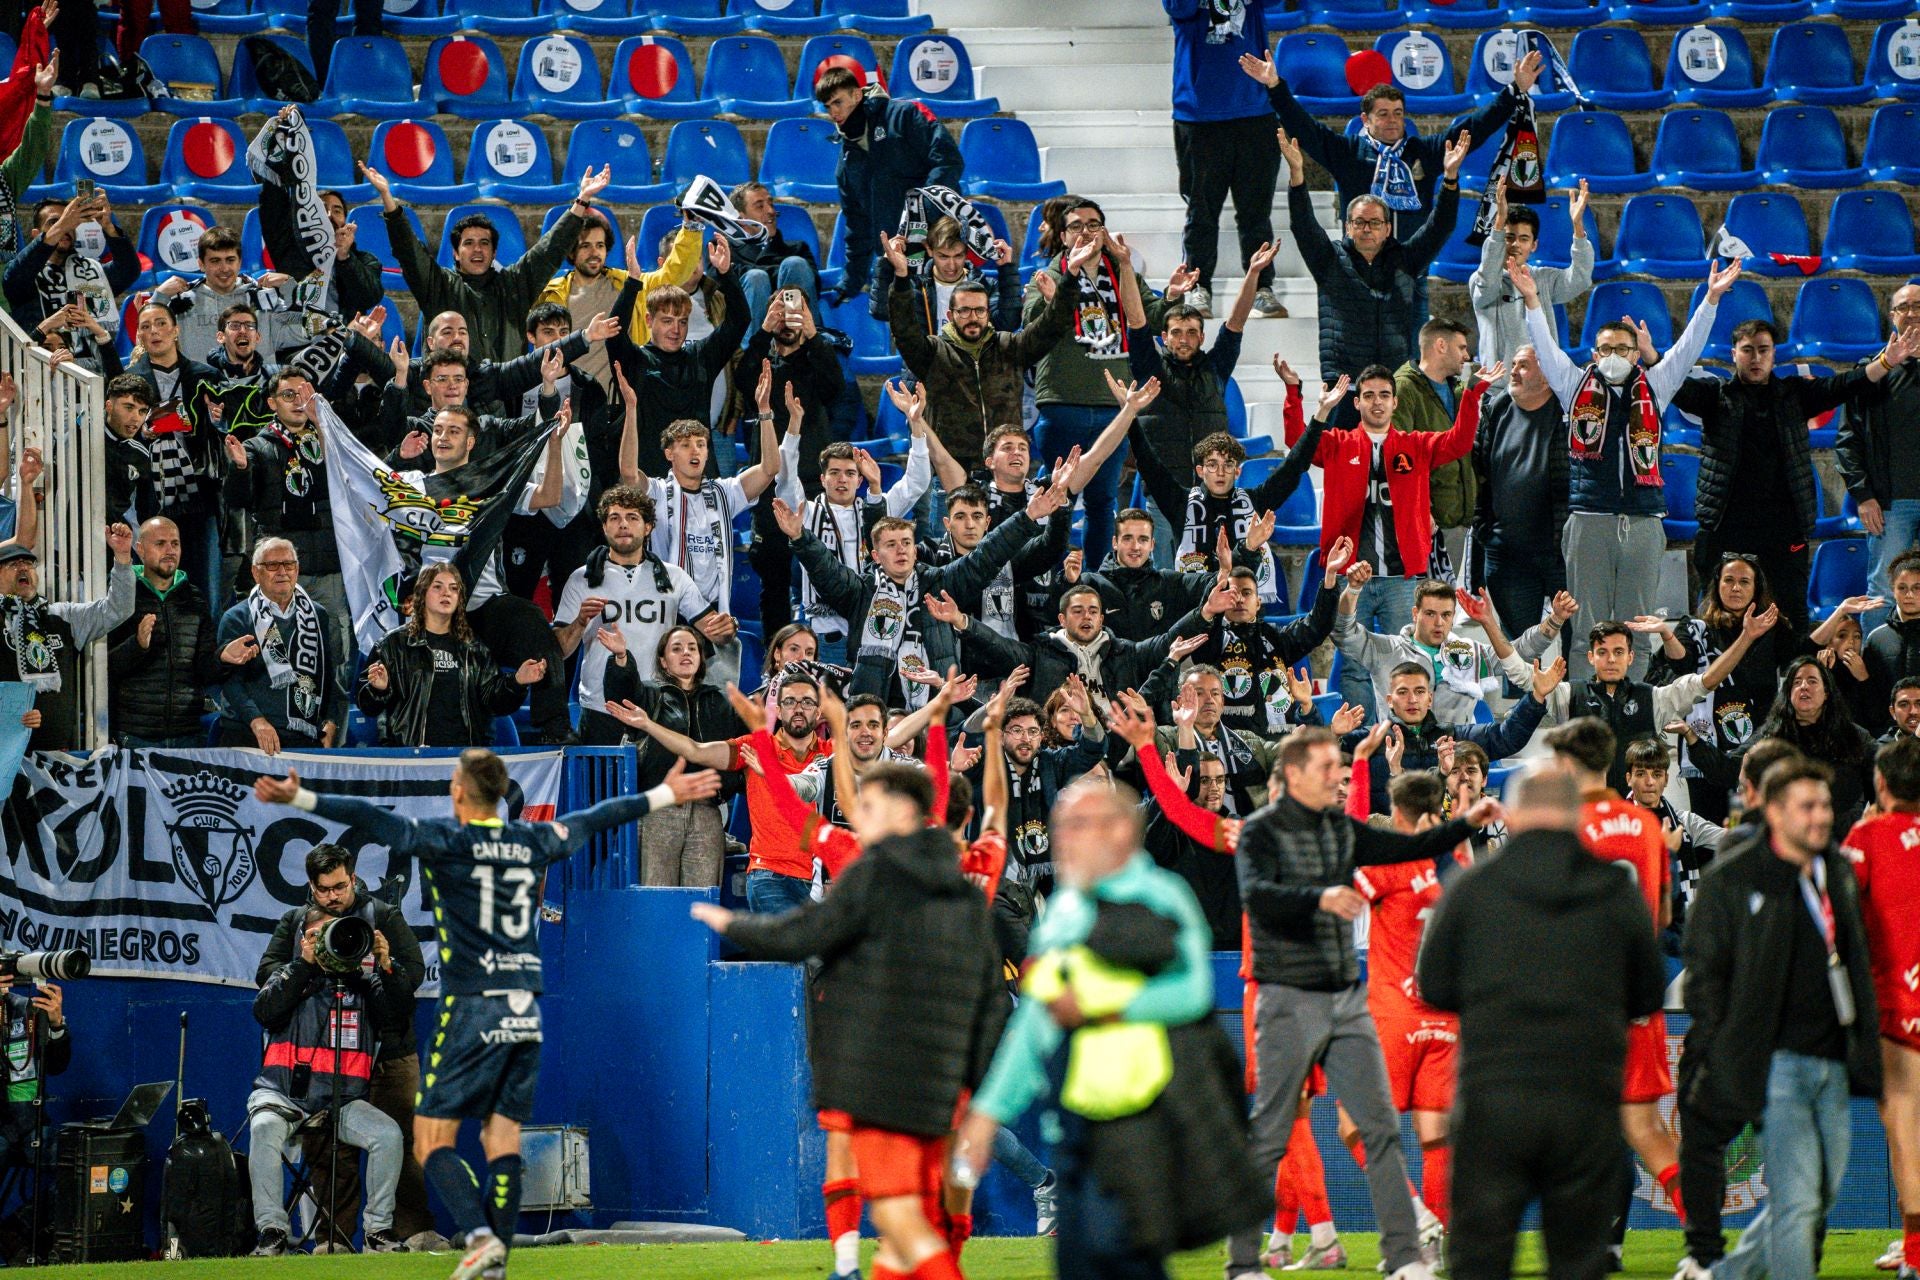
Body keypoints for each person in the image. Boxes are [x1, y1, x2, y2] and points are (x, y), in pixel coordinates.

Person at [253, 748, 721, 1280]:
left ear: (459, 792)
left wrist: (301, 796)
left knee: (430, 1140)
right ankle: (495, 1257)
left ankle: (480, 1237)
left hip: (473, 1005)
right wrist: (662, 794)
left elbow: (372, 817)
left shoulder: (447, 842)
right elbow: (594, 819)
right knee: (501, 1137)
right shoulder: (532, 840)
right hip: (526, 1008)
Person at [692, 761, 1002, 1280]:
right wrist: (976, 1089)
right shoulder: (968, 889)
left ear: (905, 812)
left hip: (880, 1078)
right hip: (944, 1084)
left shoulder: (873, 871)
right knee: (897, 1252)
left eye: (870, 805)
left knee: (898, 1218)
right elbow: (992, 1001)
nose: (859, 815)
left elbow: (801, 935)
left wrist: (732, 922)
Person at [956, 776, 1268, 1280]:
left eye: (1080, 824)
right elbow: (1037, 1019)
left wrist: (1103, 1007)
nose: (1063, 839)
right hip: (1076, 1119)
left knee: (1121, 1253)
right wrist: (988, 1113)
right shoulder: (1062, 910)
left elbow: (1190, 993)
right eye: (1061, 826)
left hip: (1143, 1118)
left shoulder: (1162, 896)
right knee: (1085, 1263)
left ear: (1123, 831)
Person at [1227, 726, 1502, 1280]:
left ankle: (1405, 1257)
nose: (1336, 776)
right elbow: (1258, 895)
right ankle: (1243, 1264)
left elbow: (1402, 847)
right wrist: (1320, 896)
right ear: (1296, 773)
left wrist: (1464, 826)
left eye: (1339, 767)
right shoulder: (1260, 831)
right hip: (1287, 996)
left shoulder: (1337, 827)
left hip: (1346, 1000)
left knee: (1377, 1129)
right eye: (1328, 766)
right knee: (1272, 1131)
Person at [1417, 766, 1667, 1280]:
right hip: (1586, 1102)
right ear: (1577, 816)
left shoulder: (1473, 887)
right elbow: (1647, 992)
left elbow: (1434, 988)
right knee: (1578, 1261)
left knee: (1480, 1261)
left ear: (1510, 814)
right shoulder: (1614, 891)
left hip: (1493, 1100)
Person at [1673, 757, 1882, 1280]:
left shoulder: (1834, 868)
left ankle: (1722, 1277)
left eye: (1826, 805)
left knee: (1820, 1194)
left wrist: (1868, 1056)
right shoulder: (1734, 878)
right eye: (1807, 807)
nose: (1821, 817)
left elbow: (1855, 961)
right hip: (1773, 1064)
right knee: (1795, 1205)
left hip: (1831, 1060)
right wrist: (1730, 1050)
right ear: (1773, 811)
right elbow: (1704, 978)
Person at [1511, 256, 1739, 680]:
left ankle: (1633, 714)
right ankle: (1584, 716)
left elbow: (1688, 349)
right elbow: (1544, 346)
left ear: (1638, 355)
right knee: (1584, 628)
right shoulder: (1571, 384)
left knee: (1637, 627)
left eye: (1624, 349)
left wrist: (1710, 299)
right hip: (1588, 520)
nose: (1614, 356)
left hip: (1642, 521)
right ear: (1594, 353)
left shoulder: (1655, 386)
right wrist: (1531, 301)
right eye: (1607, 349)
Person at [1240, 44, 1539, 331]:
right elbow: (1305, 127)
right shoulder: (1349, 154)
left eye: (1397, 113)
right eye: (1382, 114)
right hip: (1358, 271)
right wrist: (1275, 86)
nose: (1392, 120)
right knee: (1356, 357)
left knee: (1410, 360)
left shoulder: (1424, 151)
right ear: (1365, 120)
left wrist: (1513, 91)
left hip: (1410, 270)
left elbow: (1475, 127)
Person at [1546, 718, 1686, 1261]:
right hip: (1637, 997)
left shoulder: (1565, 824)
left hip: (1581, 1000)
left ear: (1566, 764)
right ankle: (1701, 1242)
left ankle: (1592, 1242)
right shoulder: (1647, 826)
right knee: (1645, 1130)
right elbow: (1667, 911)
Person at [1679, 320, 1918, 635]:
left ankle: (1795, 678)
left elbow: (1848, 383)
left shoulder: (1794, 394)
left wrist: (1887, 361)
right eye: (1747, 350)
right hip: (1725, 527)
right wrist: (1652, 356)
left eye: (1763, 350)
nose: (1755, 358)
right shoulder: (1714, 396)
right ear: (1733, 353)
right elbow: (1671, 383)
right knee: (1717, 619)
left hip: (1784, 526)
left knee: (1791, 617)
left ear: (1773, 355)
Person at [1284, 363, 1495, 719]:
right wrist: (1294, 392)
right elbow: (1295, 443)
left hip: (1403, 580)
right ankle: (1359, 741)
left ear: (1395, 402)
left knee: (1413, 662)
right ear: (1357, 403)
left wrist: (1472, 394)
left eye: (1384, 395)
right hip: (1354, 581)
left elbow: (1459, 441)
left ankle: (1414, 737)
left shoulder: (1417, 445)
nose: (1377, 403)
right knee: (1352, 665)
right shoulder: (1337, 443)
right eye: (1369, 396)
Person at [253, 843, 433, 1250]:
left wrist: (379, 968)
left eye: (339, 887)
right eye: (323, 890)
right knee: (329, 1154)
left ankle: (404, 1233)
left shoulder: (382, 916)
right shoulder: (298, 922)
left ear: (352, 878)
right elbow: (266, 978)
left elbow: (412, 976)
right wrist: (308, 965)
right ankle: (331, 1241)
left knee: (400, 1140)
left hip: (387, 1051)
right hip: (319, 1055)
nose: (333, 896)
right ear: (311, 888)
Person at [777, 476, 1072, 708]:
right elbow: (827, 571)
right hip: (877, 708)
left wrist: (1028, 515)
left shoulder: (939, 583)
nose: (900, 550)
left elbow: (985, 557)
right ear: (876, 555)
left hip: (938, 707)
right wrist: (800, 537)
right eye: (890, 545)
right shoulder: (860, 592)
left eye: (906, 542)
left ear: (915, 550)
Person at [612, 666, 831, 912]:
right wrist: (649, 725)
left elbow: (875, 745)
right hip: (771, 875)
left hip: (821, 880)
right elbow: (696, 750)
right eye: (790, 701)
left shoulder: (833, 754)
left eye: (807, 702)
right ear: (778, 710)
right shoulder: (755, 747)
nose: (798, 708)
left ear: (819, 712)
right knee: (789, 949)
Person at [1023, 213, 1171, 566]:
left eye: (1094, 225)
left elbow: (1150, 315)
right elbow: (1030, 321)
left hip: (1113, 406)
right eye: (1076, 226)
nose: (1086, 231)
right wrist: (1055, 297)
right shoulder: (1050, 275)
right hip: (1062, 403)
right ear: (1062, 236)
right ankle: (1050, 580)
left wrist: (1174, 297)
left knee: (1104, 502)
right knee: (1056, 498)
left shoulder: (1123, 274)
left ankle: (1097, 582)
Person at [1121, 243, 1286, 553]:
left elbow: (1236, 322)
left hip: (1212, 498)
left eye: (1191, 332)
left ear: (1202, 337)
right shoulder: (1150, 368)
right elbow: (1136, 321)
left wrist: (1252, 273)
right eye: (1176, 332)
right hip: (1164, 497)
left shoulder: (1216, 368)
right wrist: (1126, 267)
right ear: (1165, 337)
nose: (1184, 339)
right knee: (1166, 585)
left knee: (1214, 583)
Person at [362, 165, 608, 365]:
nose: (477, 249)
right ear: (456, 254)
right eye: (468, 243)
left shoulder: (514, 284)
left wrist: (582, 200)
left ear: (494, 253)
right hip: (450, 401)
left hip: (507, 404)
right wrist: (389, 203)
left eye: (484, 243)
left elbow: (548, 251)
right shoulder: (438, 285)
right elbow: (410, 253)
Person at [1281, 127, 1468, 388]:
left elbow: (1441, 227)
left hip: (1394, 382)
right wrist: (1298, 177)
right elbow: (1303, 225)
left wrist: (1450, 179)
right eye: (1359, 222)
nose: (1366, 228)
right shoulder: (1328, 259)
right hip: (1343, 384)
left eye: (1374, 222)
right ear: (1347, 227)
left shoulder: (1406, 259)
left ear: (1388, 228)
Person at [888, 228, 1081, 479]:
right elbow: (903, 330)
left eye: (980, 311)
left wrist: (1072, 274)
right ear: (950, 315)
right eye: (964, 311)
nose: (973, 318)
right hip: (949, 471)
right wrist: (901, 276)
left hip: (1003, 472)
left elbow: (1052, 326)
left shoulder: (1010, 347)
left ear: (988, 313)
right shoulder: (933, 352)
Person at [777, 380, 931, 667]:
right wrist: (794, 425)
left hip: (873, 624)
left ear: (859, 480)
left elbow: (918, 482)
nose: (841, 479)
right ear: (822, 479)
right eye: (834, 472)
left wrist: (915, 423)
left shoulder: (877, 509)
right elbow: (785, 478)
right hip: (826, 631)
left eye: (849, 473)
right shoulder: (807, 512)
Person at [1840, 735, 1920, 1280]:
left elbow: (1834, 911)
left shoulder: (1866, 835)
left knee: (1905, 1124)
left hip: (1896, 1006)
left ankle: (1916, 1253)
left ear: (1881, 783)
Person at [553, 485, 718, 744]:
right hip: (601, 706)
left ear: (648, 526)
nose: (623, 524)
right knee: (603, 785)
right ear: (605, 527)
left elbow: (714, 629)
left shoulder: (674, 576)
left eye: (632, 517)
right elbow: (559, 651)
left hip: (659, 703)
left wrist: (728, 625)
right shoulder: (581, 579)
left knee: (659, 785)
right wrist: (580, 622)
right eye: (614, 518)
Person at [1542, 615, 1775, 793]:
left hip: (1640, 817)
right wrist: (1553, 621)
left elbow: (1708, 681)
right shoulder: (1569, 694)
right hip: (1582, 816)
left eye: (1619, 651)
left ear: (1630, 657)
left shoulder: (1653, 698)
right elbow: (1524, 676)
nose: (1611, 659)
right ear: (1591, 657)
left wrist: (1747, 637)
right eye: (1602, 652)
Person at [1163, 0, 1285, 321]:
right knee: (1202, 210)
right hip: (1199, 114)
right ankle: (1197, 285)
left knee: (1255, 211)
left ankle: (1261, 286)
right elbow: (1179, 8)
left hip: (1255, 110)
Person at [815, 66, 964, 320]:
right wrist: (850, 283)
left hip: (940, 247)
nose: (834, 112)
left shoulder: (905, 114)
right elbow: (857, 227)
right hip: (898, 259)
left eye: (838, 102)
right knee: (909, 336)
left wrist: (919, 218)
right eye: (828, 107)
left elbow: (947, 161)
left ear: (856, 95)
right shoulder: (846, 165)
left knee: (949, 326)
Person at [1337, 570, 1566, 726]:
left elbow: (1519, 651)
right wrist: (1354, 590)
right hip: (1403, 755)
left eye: (1446, 615)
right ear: (1415, 614)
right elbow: (1344, 633)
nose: (1439, 623)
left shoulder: (1466, 651)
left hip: (1459, 758)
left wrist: (1554, 620)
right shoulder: (1386, 650)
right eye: (1430, 614)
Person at [108, 516, 260, 747]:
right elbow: (105, 667)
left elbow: (204, 671)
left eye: (175, 543)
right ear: (140, 549)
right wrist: (137, 645)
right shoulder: (121, 596)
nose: (169, 550)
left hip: (188, 736)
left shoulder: (195, 597)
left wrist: (223, 658)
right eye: (160, 544)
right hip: (135, 737)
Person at [607, 238, 750, 481]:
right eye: (667, 321)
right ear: (649, 320)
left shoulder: (701, 357)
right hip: (650, 484)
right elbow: (614, 333)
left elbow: (739, 321)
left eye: (682, 321)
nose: (676, 329)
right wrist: (633, 283)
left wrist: (727, 274)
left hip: (700, 481)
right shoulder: (635, 360)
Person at [224, 370, 348, 646]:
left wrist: (321, 424)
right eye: (288, 395)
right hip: (281, 571)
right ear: (272, 403)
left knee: (334, 648)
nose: (297, 402)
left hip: (328, 566)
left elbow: (345, 481)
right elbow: (238, 499)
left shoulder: (331, 438)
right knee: (284, 649)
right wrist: (241, 468)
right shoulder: (256, 446)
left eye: (303, 395)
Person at [1345, 656, 1558, 815]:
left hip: (1443, 839)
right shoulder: (1370, 741)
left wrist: (1536, 697)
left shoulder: (1453, 736)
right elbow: (1318, 757)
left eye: (1419, 692)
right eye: (1403, 692)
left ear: (1430, 698)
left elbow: (1505, 738)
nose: (1412, 699)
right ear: (1389, 700)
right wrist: (1327, 726)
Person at [357, 565, 541, 749]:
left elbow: (494, 702)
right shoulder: (392, 645)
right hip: (410, 761)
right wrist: (378, 689)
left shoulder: (475, 649)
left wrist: (517, 682)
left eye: (454, 588)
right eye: (437, 587)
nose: (447, 593)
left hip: (463, 762)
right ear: (422, 594)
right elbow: (368, 706)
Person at [0, 526, 134, 751]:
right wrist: (8, 713)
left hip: (58, 752)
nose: (23, 568)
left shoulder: (63, 616)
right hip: (5, 752)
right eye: (13, 564)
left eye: (29, 563)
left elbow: (118, 609)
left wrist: (122, 559)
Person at [534, 210, 703, 385]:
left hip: (623, 399)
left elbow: (673, 274)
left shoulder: (629, 283)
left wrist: (692, 226)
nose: (594, 252)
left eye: (600, 245)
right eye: (586, 246)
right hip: (569, 399)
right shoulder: (552, 294)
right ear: (571, 252)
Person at [1836, 282, 1920, 632]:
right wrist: (1863, 494)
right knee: (1884, 590)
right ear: (1892, 316)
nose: (1912, 312)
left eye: (1919, 305)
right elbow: (1847, 440)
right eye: (1904, 307)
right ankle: (1877, 680)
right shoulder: (1870, 373)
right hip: (1888, 504)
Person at [127, 302, 224, 602]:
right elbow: (119, 436)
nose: (153, 331)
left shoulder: (207, 375)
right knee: (154, 590)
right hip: (151, 497)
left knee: (204, 589)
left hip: (200, 497)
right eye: (145, 326)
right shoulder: (130, 381)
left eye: (160, 323)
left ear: (176, 329)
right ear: (139, 336)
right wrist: (142, 434)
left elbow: (225, 434)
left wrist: (217, 421)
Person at [215, 537, 344, 754]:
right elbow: (230, 682)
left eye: (289, 564)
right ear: (256, 573)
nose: (282, 571)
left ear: (297, 569)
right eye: (272, 565)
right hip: (249, 734)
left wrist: (331, 721)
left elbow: (328, 677)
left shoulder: (318, 614)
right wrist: (257, 721)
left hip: (304, 735)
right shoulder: (236, 617)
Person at [1468, 180, 1594, 372]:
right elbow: (1487, 285)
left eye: (1524, 239)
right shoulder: (1480, 281)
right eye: (1508, 237)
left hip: (1542, 384)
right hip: (1498, 387)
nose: (1515, 244)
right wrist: (1499, 223)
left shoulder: (1543, 278)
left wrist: (1578, 228)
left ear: (1533, 246)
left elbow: (1580, 278)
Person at [4, 194, 138, 369]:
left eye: (70, 222)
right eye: (54, 222)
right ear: (37, 235)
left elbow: (129, 270)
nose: (65, 226)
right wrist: (62, 226)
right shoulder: (25, 276)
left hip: (92, 373)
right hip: (41, 371)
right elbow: (15, 276)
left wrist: (108, 227)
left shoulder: (92, 271)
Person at [1079, 507, 1244, 643]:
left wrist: (1230, 563)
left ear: (1152, 544)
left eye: (1143, 539)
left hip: (1158, 678)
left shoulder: (1167, 582)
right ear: (1115, 543)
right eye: (1128, 538)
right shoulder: (1092, 584)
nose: (1135, 546)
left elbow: (1208, 582)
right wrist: (1067, 580)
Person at [1752, 655, 1878, 831]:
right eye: (1796, 682)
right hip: (1790, 839)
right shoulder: (1770, 737)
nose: (1803, 686)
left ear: (1826, 693)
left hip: (1845, 842)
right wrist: (1697, 742)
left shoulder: (1853, 736)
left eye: (1812, 681)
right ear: (1788, 694)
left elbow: (1888, 770)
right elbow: (1727, 768)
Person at [154, 225, 302, 363]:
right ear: (201, 264)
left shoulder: (264, 298)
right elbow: (149, 340)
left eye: (230, 260)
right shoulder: (181, 303)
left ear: (239, 262)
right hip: (201, 389)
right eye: (215, 261)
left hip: (257, 389)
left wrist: (292, 289)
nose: (224, 268)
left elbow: (310, 330)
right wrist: (160, 297)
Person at [1393, 318, 1479, 548]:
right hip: (1430, 524)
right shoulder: (1403, 388)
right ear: (1441, 345)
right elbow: (1399, 457)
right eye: (1461, 347)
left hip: (1461, 520)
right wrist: (1420, 510)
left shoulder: (1459, 391)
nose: (1467, 356)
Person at [893, 215, 1021, 337]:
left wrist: (1007, 270)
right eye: (943, 256)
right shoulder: (915, 287)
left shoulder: (986, 286)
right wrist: (887, 265)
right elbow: (882, 312)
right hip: (930, 359)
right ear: (929, 249)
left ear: (966, 252)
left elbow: (1008, 324)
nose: (951, 265)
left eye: (958, 256)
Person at [728, 180, 822, 333]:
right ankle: (753, 353)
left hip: (796, 336)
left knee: (795, 265)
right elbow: (719, 292)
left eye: (771, 204)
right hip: (754, 339)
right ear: (741, 218)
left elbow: (814, 289)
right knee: (756, 278)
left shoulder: (799, 249)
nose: (771, 211)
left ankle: (801, 345)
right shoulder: (724, 250)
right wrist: (777, 274)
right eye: (760, 206)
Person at [0, 968, 68, 1171]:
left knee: (68, 1170)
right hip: (2, 1123)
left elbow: (57, 1067)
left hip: (31, 1120)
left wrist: (56, 1026)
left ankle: (38, 1205)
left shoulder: (26, 1008)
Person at [102, 374, 159, 529]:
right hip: (71, 539)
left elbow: (147, 511)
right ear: (109, 406)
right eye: (129, 408)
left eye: (142, 411)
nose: (136, 418)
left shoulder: (140, 454)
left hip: (118, 540)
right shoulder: (82, 435)